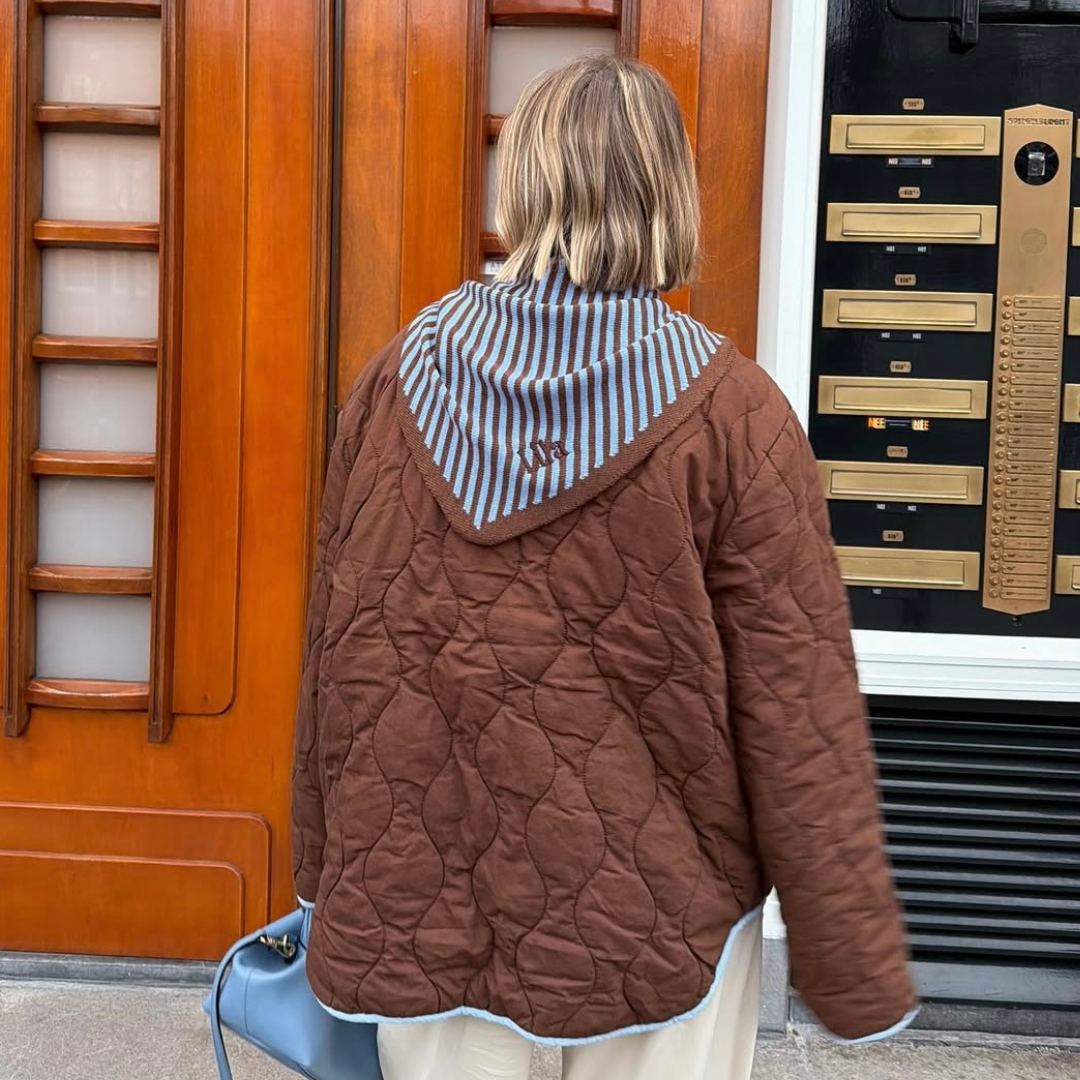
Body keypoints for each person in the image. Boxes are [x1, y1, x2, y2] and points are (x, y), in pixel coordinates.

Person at [291, 53, 917, 1080]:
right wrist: (853, 967)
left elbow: (336, 657)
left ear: (522, 186)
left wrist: (328, 877)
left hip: (423, 900)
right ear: (670, 193)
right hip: (660, 920)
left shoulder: (393, 384)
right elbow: (798, 708)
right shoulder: (732, 415)